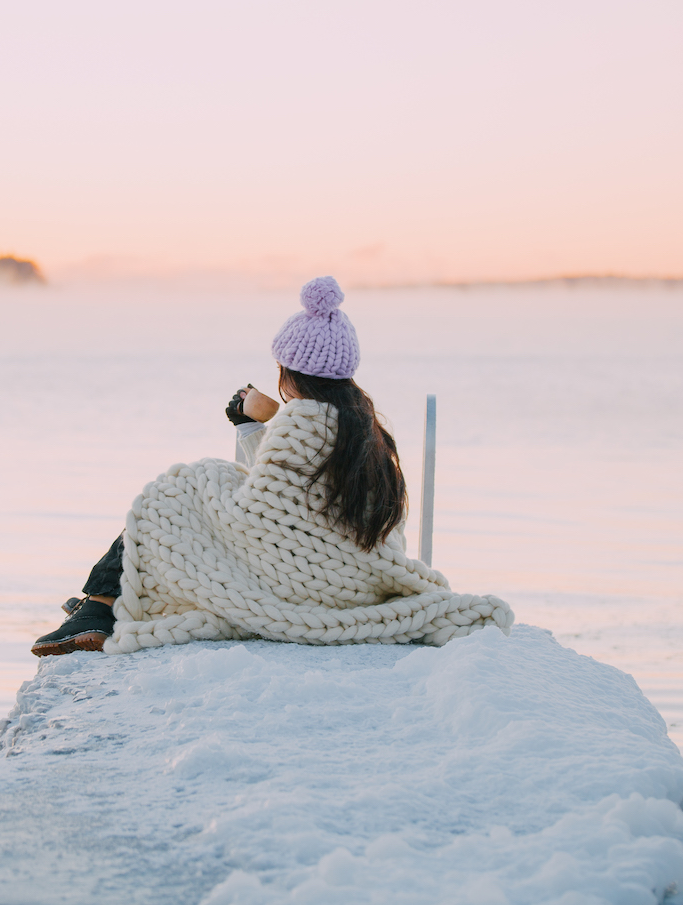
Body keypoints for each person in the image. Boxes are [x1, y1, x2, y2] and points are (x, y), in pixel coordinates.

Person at [31, 276, 511, 657]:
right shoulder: (369, 428)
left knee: (178, 491)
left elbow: (259, 521)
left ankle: (100, 607)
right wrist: (256, 426)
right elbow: (291, 505)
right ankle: (111, 602)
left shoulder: (299, 421)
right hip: (352, 581)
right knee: (202, 492)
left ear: (289, 372)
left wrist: (258, 423)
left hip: (305, 585)